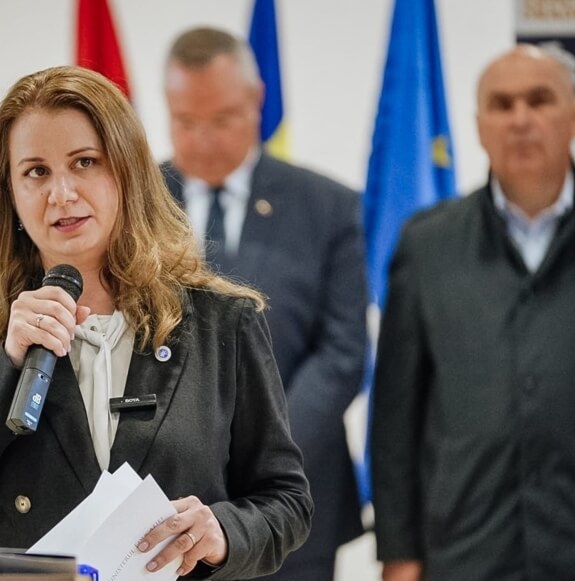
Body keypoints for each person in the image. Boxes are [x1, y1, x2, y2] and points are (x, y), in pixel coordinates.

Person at [0, 65, 312, 579]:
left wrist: (222, 531)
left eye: (85, 162)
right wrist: (7, 364)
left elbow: (286, 501)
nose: (62, 193)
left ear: (127, 171)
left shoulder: (224, 323)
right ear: (10, 193)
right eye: (36, 172)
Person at [371, 45, 575, 580]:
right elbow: (396, 416)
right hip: (467, 551)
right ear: (480, 127)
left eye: (540, 100)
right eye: (502, 105)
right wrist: (399, 553)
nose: (521, 119)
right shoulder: (427, 245)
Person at [160, 27, 367, 581]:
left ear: (256, 101)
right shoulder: (135, 202)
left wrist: (263, 449)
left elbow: (342, 352)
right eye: (185, 121)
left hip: (295, 494)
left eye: (222, 119)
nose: (204, 139)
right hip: (168, 508)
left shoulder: (328, 206)